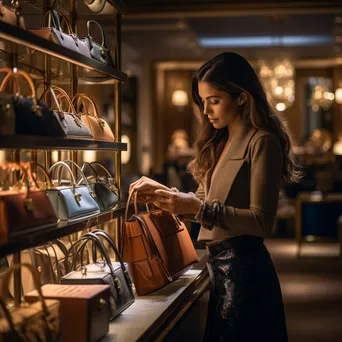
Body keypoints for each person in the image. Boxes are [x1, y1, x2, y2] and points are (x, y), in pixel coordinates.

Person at [129, 52, 301, 342]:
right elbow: (200, 201)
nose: (206, 110)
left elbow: (261, 222)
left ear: (242, 98)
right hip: (218, 269)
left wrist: (200, 210)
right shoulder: (218, 141)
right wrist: (165, 193)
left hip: (246, 271)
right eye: (202, 101)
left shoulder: (262, 142)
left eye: (214, 100)